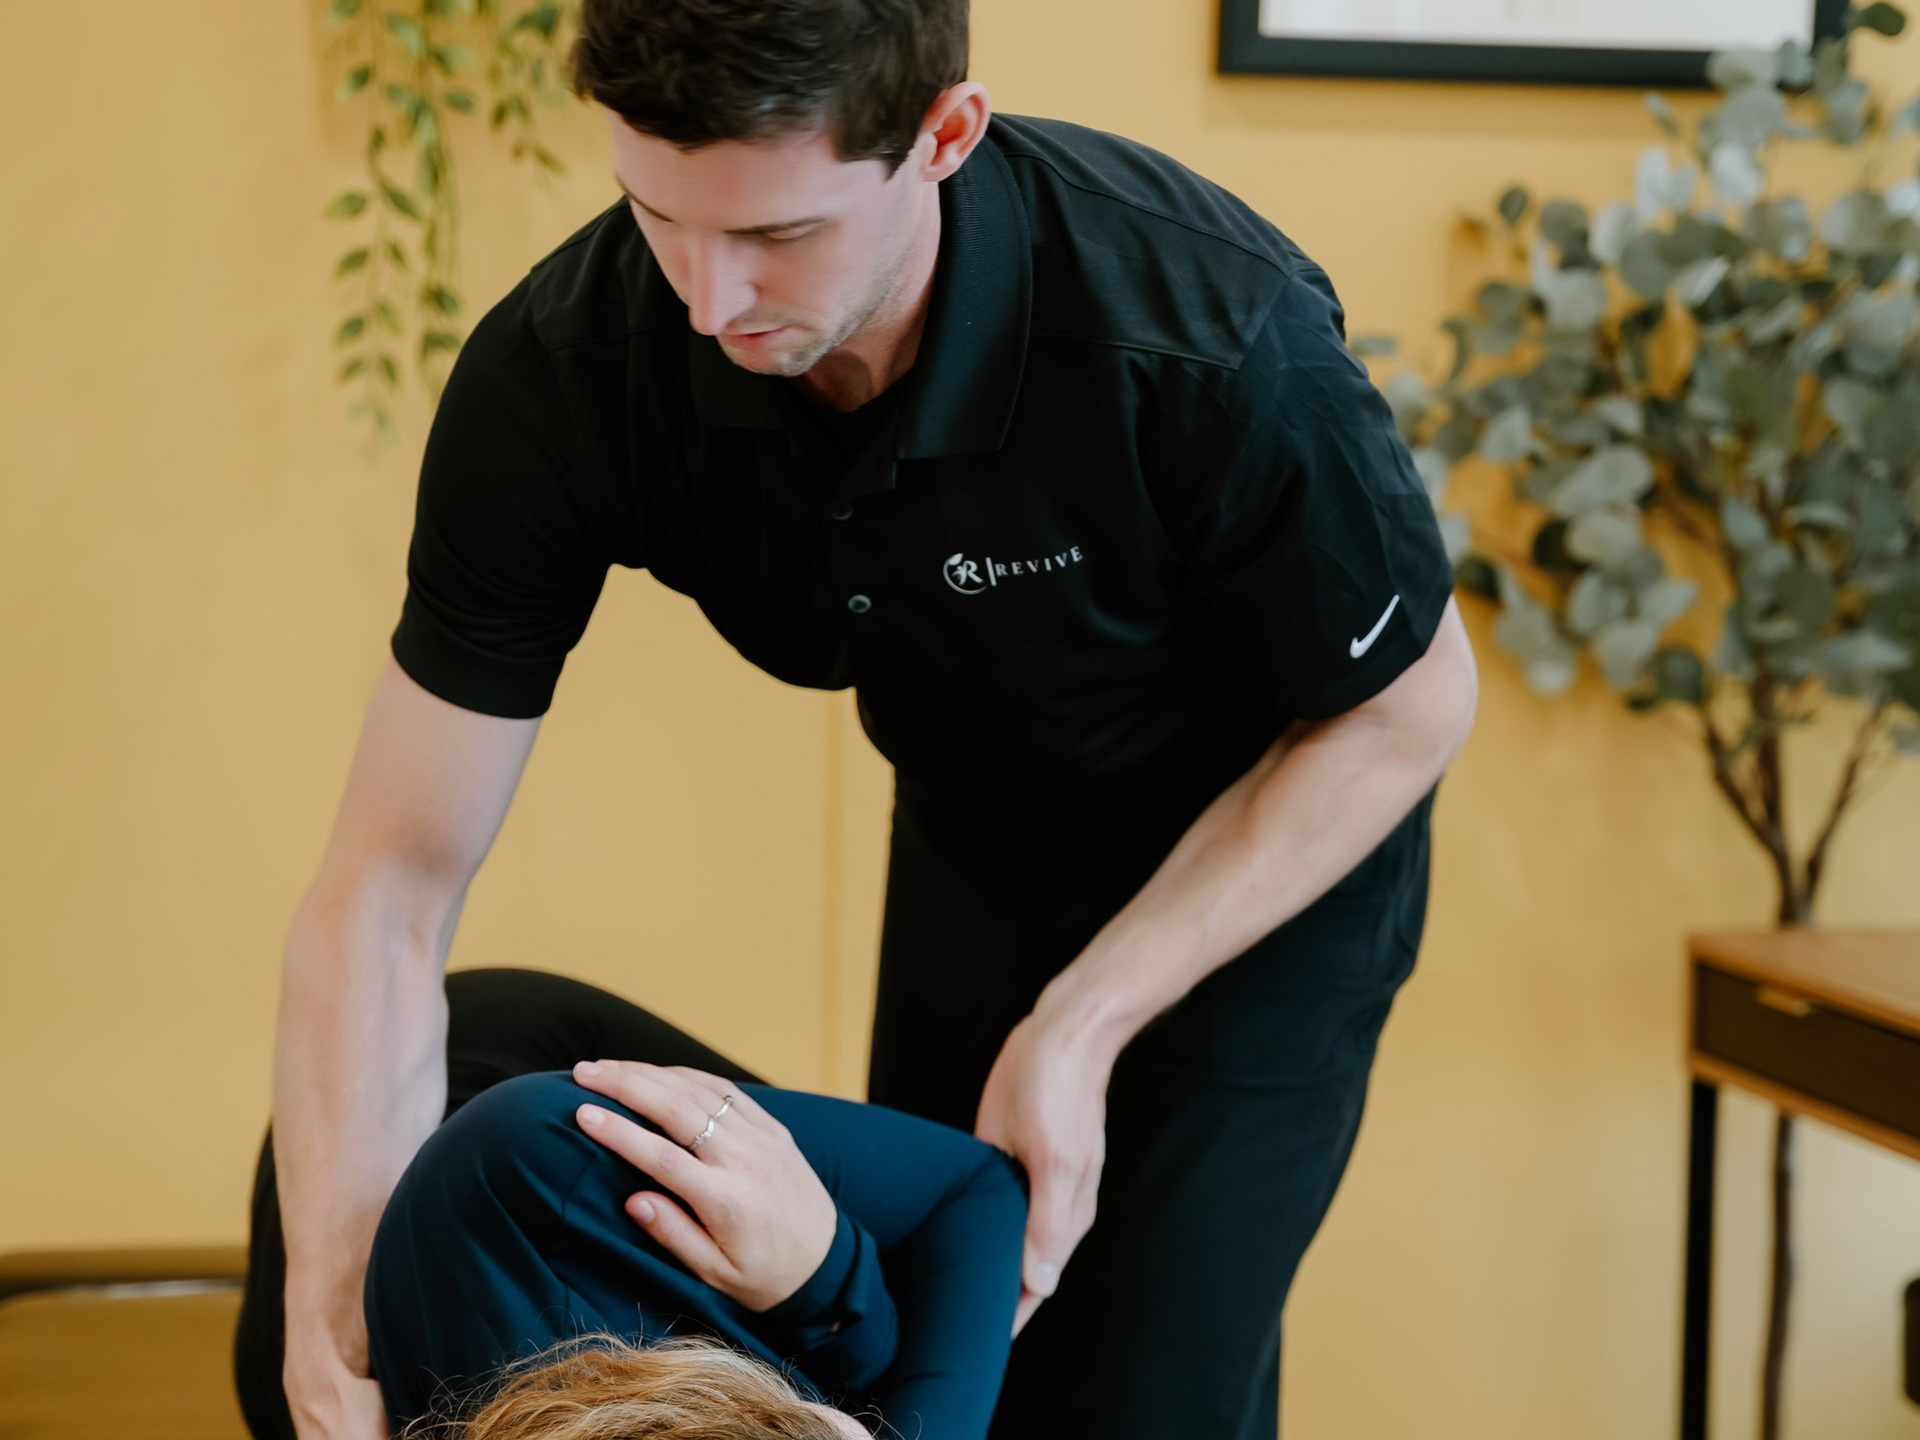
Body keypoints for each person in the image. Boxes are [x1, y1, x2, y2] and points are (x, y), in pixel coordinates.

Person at [244, 0, 1480, 1437]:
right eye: (658, 216)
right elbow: (385, 891)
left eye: (777, 237)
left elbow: (1409, 705)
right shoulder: (572, 371)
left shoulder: (1199, 334)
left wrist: (1083, 1021)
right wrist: (330, 1314)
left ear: (944, 136)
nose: (709, 302)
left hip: (1268, 861)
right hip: (978, 834)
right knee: (941, 1354)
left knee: (1138, 1392)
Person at [236, 967, 1028, 1440]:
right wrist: (831, 1295)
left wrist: (830, 1270)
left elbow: (976, 1190)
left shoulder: (550, 1162)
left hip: (511, 1132)